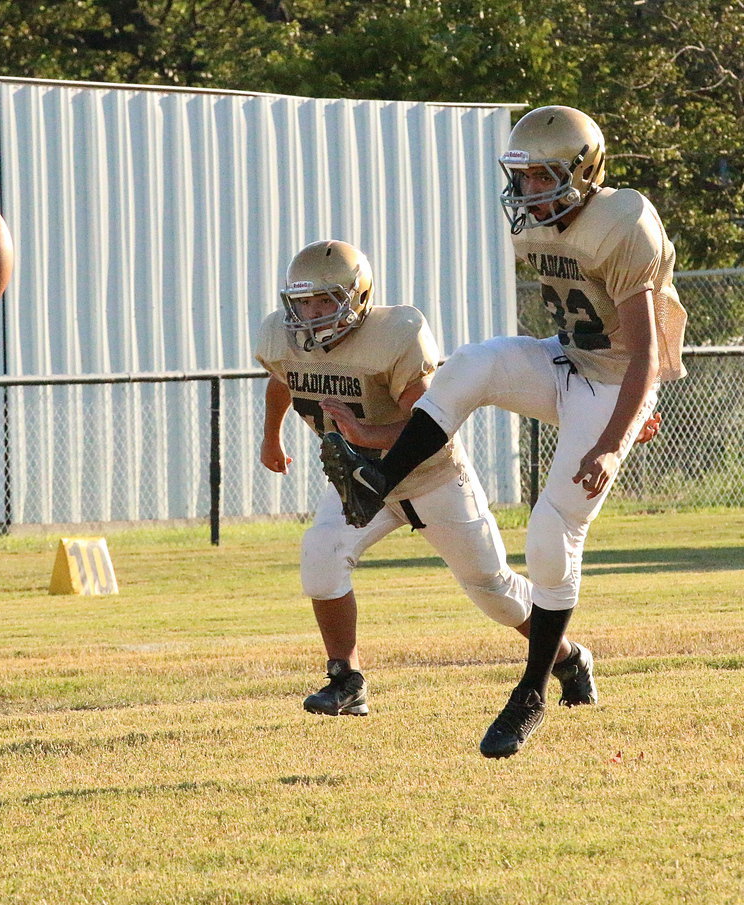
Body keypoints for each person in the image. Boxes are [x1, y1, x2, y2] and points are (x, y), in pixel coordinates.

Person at [321, 105, 686, 758]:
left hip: (613, 385)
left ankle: (534, 690)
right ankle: (378, 476)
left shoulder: (624, 222)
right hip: (567, 360)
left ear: (585, 170)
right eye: (522, 177)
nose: (529, 192)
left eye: (544, 177)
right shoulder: (539, 225)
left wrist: (613, 437)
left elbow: (647, 354)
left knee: (550, 533)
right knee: (472, 364)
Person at [256, 239, 598, 721]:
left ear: (356, 297)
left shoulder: (396, 334)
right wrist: (271, 439)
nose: (310, 314)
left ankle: (567, 657)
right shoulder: (282, 337)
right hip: (360, 479)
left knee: (493, 590)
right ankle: (346, 679)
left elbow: (433, 421)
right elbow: (282, 381)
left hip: (432, 478)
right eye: (302, 302)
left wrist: (367, 432)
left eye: (323, 301)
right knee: (320, 554)